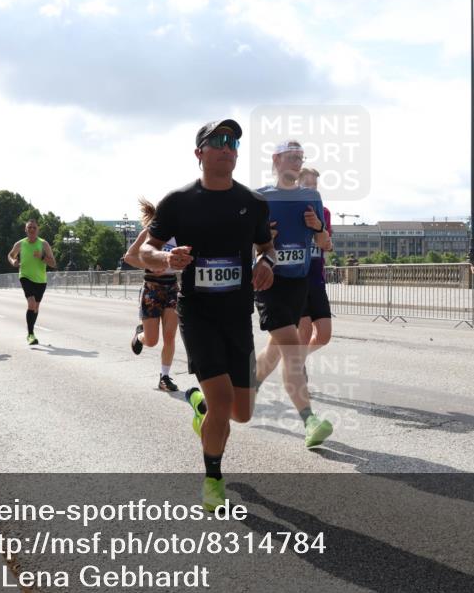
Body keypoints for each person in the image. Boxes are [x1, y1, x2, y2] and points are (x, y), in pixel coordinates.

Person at [140, 118, 274, 511]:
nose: (228, 147)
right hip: (198, 315)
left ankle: (199, 408)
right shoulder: (178, 202)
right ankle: (213, 479)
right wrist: (166, 257)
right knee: (222, 402)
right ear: (199, 153)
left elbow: (267, 248)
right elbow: (145, 250)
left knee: (241, 413)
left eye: (233, 142)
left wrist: (266, 263)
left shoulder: (252, 203)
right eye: (218, 141)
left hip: (238, 316)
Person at [253, 141, 334, 448]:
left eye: (301, 158)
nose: (297, 162)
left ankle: (247, 386)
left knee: (275, 350)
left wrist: (318, 228)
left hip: (299, 283)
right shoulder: (260, 197)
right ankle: (309, 421)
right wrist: (263, 240)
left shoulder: (311, 196)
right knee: (291, 348)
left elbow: (324, 244)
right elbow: (242, 243)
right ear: (276, 160)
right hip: (269, 282)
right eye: (292, 157)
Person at [125, 198, 181, 391]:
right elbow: (129, 257)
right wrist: (150, 264)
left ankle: (164, 377)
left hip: (172, 287)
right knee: (152, 340)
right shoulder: (149, 233)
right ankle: (140, 335)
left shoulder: (180, 234)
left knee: (170, 336)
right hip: (152, 288)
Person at [296, 167, 335, 358]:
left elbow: (327, 244)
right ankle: (297, 367)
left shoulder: (324, 212)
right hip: (296, 279)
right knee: (304, 331)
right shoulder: (290, 209)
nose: (312, 188)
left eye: (315, 185)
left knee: (324, 335)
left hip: (317, 279)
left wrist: (327, 243)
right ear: (297, 184)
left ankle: (297, 359)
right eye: (307, 184)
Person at [8, 219, 56, 345]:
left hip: (41, 280)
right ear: (26, 229)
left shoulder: (44, 244)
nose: (32, 229)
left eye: (34, 227)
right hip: (25, 276)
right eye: (29, 227)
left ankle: (31, 330)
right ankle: (30, 334)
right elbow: (10, 255)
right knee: (31, 304)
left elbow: (53, 263)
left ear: (38, 229)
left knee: (35, 307)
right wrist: (13, 261)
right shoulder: (20, 244)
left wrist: (42, 257)